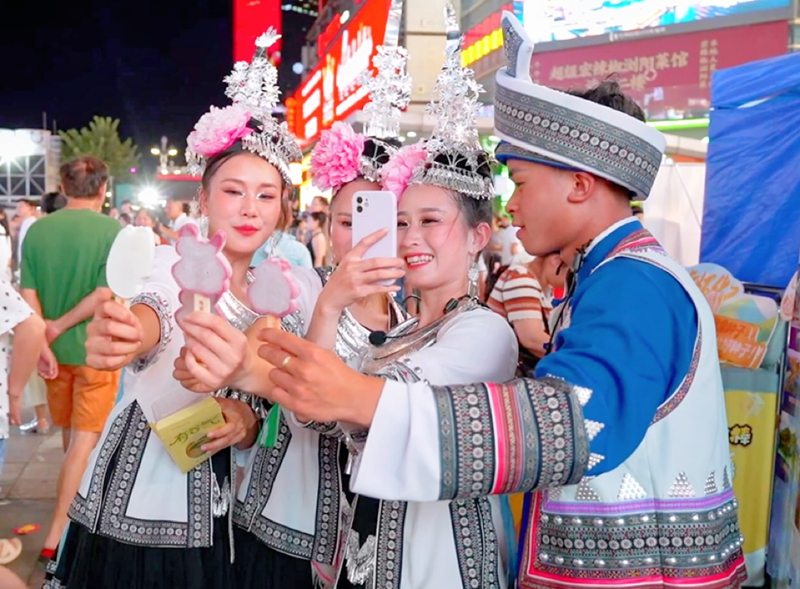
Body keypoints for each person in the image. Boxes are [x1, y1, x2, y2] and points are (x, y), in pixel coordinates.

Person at [252, 13, 746, 589]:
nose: (512, 204)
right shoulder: (612, 275)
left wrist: (359, 397)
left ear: (580, 184)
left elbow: (574, 421)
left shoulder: (633, 283)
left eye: (522, 180)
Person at [179, 19, 520, 587]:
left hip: (411, 549)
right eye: (346, 221)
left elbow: (360, 408)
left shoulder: (449, 328)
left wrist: (253, 369)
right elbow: (270, 400)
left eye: (421, 222)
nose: (404, 238)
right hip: (308, 527)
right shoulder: (300, 291)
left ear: (478, 236)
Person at [44, 31, 314, 589]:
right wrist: (126, 334)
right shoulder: (170, 264)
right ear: (203, 200)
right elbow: (152, 314)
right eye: (233, 191)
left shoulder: (294, 287)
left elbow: (288, 397)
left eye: (266, 195)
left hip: (247, 501)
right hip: (149, 490)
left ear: (284, 207)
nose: (249, 209)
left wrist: (246, 422)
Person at [20, 156, 122, 561]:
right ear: (103, 188)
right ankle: (59, 533)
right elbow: (103, 294)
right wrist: (61, 326)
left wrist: (45, 339)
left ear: (64, 187)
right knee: (85, 439)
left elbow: (27, 293)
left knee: (69, 436)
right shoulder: (113, 231)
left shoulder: (37, 231)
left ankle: (69, 509)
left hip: (51, 352)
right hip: (95, 348)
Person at [488, 251, 565, 368]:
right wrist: (573, 356)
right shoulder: (521, 278)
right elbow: (532, 339)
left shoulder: (539, 284)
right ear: (556, 261)